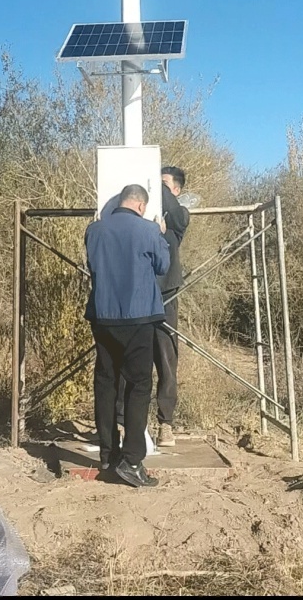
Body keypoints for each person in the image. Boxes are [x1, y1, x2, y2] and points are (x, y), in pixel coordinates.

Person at [85, 184, 170, 488]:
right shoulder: (148, 230)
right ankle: (132, 460)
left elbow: (92, 267)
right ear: (141, 205)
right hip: (138, 318)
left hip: (103, 318)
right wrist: (160, 235)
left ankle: (108, 456)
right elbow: (163, 266)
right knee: (138, 386)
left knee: (106, 384)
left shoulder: (94, 230)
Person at [154, 166, 190, 447]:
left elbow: (172, 209)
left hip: (165, 294)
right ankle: (123, 422)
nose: (158, 190)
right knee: (129, 360)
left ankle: (166, 424)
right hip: (136, 295)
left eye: (165, 185)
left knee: (166, 359)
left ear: (176, 190)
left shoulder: (178, 215)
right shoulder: (142, 214)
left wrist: (155, 181)